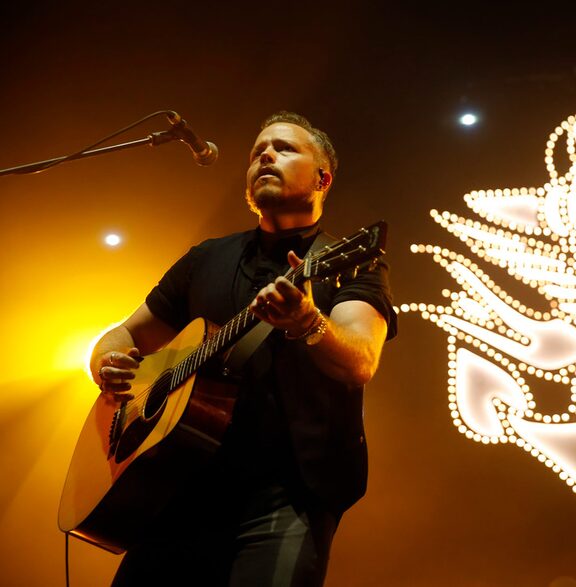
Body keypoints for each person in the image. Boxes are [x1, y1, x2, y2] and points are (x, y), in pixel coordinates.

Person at [91, 111, 396, 586]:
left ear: (323, 177)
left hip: (287, 494)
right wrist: (106, 361)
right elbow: (125, 334)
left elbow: (361, 361)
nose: (266, 156)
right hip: (179, 489)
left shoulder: (350, 263)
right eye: (257, 152)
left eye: (284, 148)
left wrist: (308, 322)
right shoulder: (206, 258)